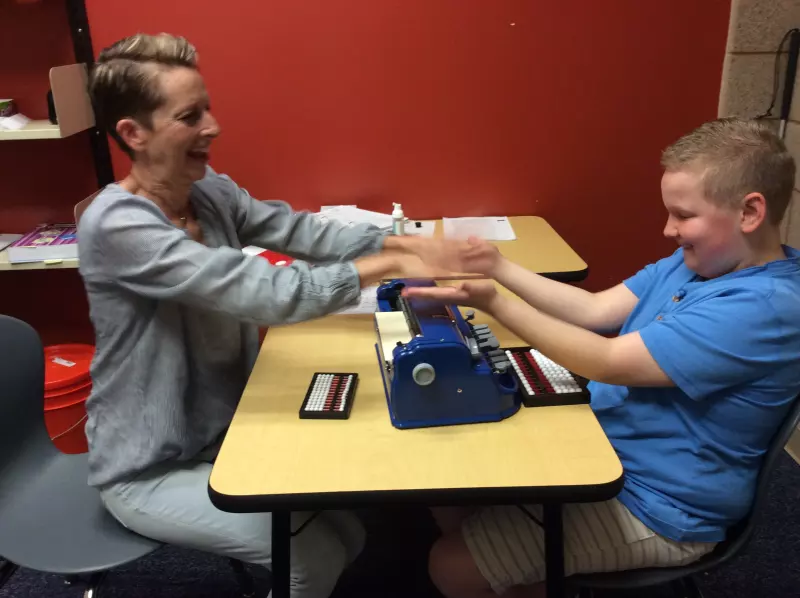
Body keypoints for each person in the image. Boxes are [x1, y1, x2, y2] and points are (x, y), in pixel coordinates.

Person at [78, 33, 466, 598]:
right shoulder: (118, 225)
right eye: (190, 115)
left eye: (207, 107)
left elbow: (299, 231)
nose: (212, 126)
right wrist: (388, 263)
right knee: (308, 560)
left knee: (350, 534)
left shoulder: (206, 190)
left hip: (226, 437)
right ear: (133, 134)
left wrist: (404, 239)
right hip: (148, 467)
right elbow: (263, 292)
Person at [403, 117, 800, 598]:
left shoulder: (765, 307)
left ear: (750, 212)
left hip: (662, 506)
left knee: (451, 565)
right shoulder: (698, 262)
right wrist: (498, 268)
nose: (668, 228)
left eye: (683, 215)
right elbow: (595, 309)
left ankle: (510, 573)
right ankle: (519, 572)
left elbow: (607, 360)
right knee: (451, 485)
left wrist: (493, 300)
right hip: (605, 451)